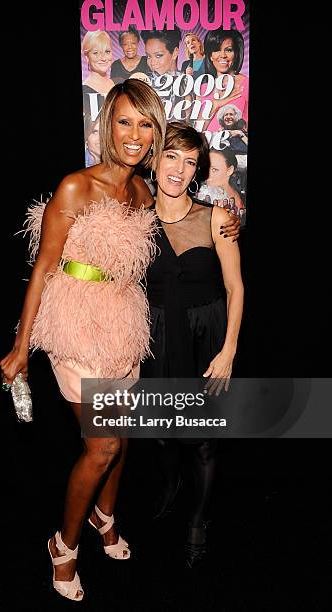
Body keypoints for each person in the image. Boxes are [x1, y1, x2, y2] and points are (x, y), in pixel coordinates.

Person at [0, 79, 167, 602]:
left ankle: (105, 516)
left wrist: (224, 220)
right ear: (107, 125)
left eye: (145, 124)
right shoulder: (77, 186)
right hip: (74, 323)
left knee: (120, 440)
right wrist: (21, 345)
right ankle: (63, 546)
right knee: (103, 445)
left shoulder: (143, 192)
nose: (134, 135)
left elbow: (184, 219)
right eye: (125, 121)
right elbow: (44, 264)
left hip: (123, 324)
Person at [141, 122, 244, 568]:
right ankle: (170, 487)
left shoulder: (217, 217)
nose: (179, 169)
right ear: (155, 159)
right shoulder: (134, 220)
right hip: (156, 339)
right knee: (164, 436)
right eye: (171, 156)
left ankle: (199, 519)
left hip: (206, 339)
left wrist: (229, 352)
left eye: (189, 162)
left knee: (201, 441)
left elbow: (236, 288)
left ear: (198, 170)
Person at [194, 28, 249, 133]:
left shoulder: (246, 84)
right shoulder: (203, 88)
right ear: (210, 56)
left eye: (228, 50)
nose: (222, 55)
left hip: (235, 147)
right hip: (207, 147)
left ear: (236, 53)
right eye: (217, 50)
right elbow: (197, 131)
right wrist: (214, 105)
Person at [141, 27, 189, 121]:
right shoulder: (146, 82)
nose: (152, 62)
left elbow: (188, 124)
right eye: (148, 56)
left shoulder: (187, 82)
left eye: (158, 55)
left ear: (175, 53)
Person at [82, 30, 116, 116]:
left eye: (107, 51)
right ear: (87, 57)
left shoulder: (118, 83)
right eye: (96, 53)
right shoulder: (84, 92)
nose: (103, 58)